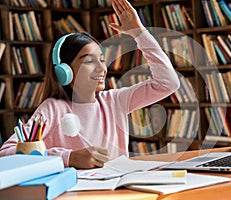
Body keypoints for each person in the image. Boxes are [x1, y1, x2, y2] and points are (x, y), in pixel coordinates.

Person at [0, 0, 180, 169]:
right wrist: (69, 157)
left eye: (102, 60)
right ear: (64, 71)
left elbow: (168, 82)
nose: (101, 68)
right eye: (88, 61)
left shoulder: (115, 101)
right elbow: (5, 154)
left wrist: (138, 33)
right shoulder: (53, 109)